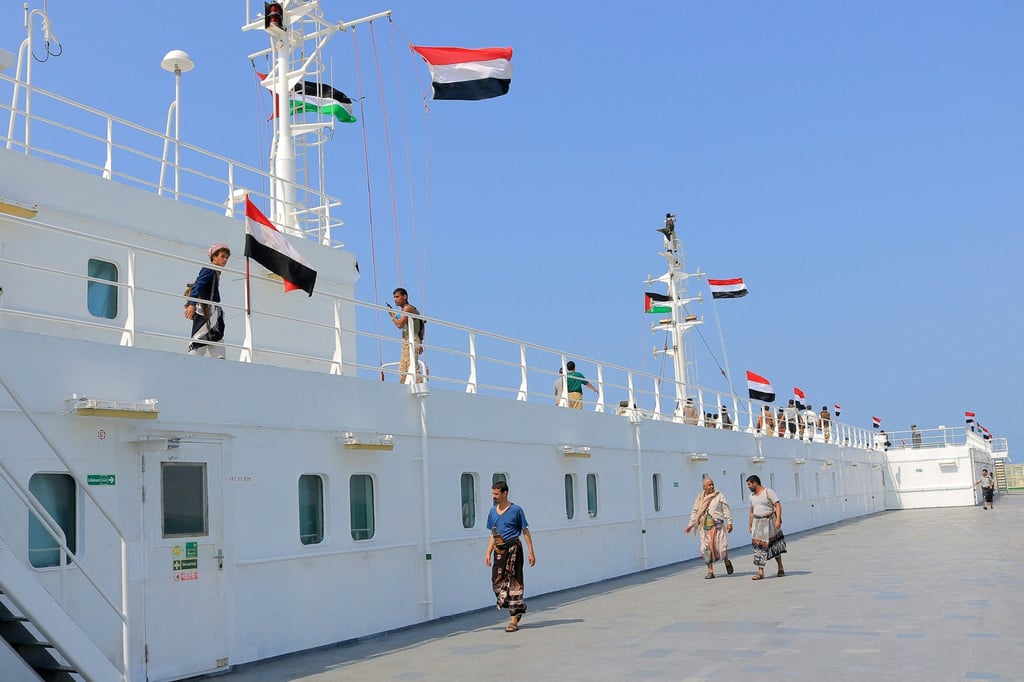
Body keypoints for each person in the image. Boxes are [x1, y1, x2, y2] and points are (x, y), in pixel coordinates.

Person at [485, 482, 536, 632]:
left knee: (515, 582)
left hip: (514, 548)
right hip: (499, 551)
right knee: (497, 583)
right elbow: (492, 533)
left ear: (505, 493)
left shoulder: (516, 510)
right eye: (493, 494)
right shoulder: (492, 512)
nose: (494, 497)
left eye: (496, 494)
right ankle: (518, 607)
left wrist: (531, 552)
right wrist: (488, 552)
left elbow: (525, 531)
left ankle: (514, 619)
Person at [185, 244, 230, 358]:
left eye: (226, 258)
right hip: (205, 314)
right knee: (199, 342)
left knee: (217, 340)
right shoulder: (209, 269)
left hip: (213, 313)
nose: (225, 260)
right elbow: (198, 285)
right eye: (222, 256)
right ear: (214, 257)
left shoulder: (215, 271)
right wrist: (192, 304)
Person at [684, 478, 734, 579]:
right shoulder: (700, 498)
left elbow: (726, 509)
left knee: (722, 548)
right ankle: (710, 571)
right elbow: (695, 512)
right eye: (709, 485)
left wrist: (729, 522)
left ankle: (727, 562)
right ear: (704, 487)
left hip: (718, 527)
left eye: (712, 484)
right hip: (705, 528)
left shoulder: (719, 495)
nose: (711, 486)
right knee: (706, 549)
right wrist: (690, 525)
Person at [746, 475, 786, 580]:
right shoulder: (751, 496)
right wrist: (750, 524)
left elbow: (777, 505)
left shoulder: (768, 492)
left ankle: (780, 567)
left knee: (774, 545)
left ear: (755, 483)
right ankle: (760, 572)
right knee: (758, 547)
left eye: (749, 484)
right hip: (757, 523)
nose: (748, 487)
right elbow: (751, 511)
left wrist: (778, 520)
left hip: (769, 521)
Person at [389, 287, 424, 383]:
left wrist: (392, 316)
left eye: (397, 297)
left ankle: (419, 385)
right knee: (403, 368)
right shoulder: (405, 310)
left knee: (411, 365)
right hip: (407, 339)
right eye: (394, 297)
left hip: (412, 339)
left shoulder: (408, 308)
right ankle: (404, 386)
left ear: (405, 296)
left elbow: (400, 324)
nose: (395, 299)